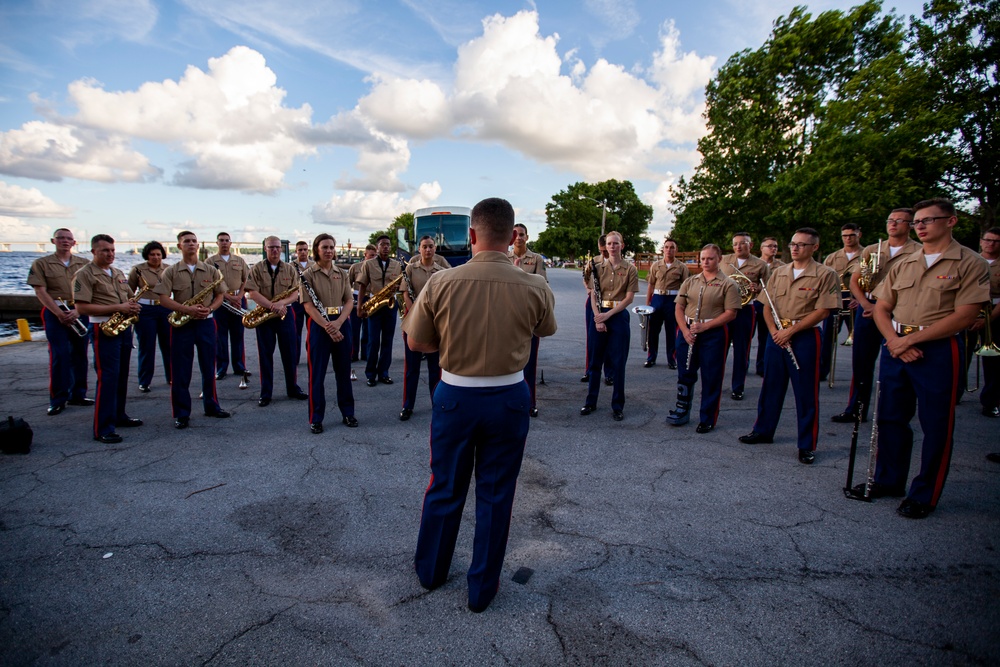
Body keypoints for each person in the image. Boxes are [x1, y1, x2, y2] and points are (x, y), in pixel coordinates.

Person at [404, 197, 556, 614]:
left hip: (456, 394)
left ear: (471, 235)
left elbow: (417, 343)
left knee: (445, 485)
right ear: (513, 238)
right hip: (509, 396)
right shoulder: (535, 284)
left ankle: (431, 572)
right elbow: (545, 328)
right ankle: (481, 590)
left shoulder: (440, 281)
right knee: (496, 494)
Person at [865, 198, 989, 519]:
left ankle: (925, 493)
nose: (919, 226)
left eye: (927, 221)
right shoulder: (905, 262)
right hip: (897, 346)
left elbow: (966, 315)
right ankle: (889, 480)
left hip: (936, 349)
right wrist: (895, 341)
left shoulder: (969, 262)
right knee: (890, 418)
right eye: (916, 222)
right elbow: (881, 307)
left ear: (951, 221)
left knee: (936, 424)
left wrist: (912, 340)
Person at [739, 228, 839, 464]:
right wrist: (775, 332)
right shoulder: (780, 272)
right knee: (770, 387)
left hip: (804, 337)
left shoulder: (825, 274)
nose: (795, 248)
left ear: (814, 247)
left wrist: (790, 332)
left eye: (801, 245)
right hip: (777, 335)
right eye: (793, 244)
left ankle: (806, 444)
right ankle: (763, 430)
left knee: (805, 392)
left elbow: (824, 310)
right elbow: (766, 305)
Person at [830, 210, 921, 423]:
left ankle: (892, 414)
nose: (893, 224)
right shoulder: (872, 249)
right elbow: (855, 280)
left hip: (899, 308)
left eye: (899, 221)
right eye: (890, 220)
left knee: (897, 361)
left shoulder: (918, 251)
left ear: (911, 225)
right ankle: (857, 408)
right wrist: (865, 304)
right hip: (868, 307)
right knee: (861, 361)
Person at [155, 231, 231, 429]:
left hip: (206, 322)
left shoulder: (211, 270)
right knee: (181, 370)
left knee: (209, 367)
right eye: (186, 241)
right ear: (179, 246)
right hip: (182, 324)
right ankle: (181, 413)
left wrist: (210, 309)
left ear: (198, 246)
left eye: (194, 241)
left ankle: (211, 406)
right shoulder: (170, 271)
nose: (191, 244)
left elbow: (220, 296)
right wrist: (186, 309)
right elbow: (163, 298)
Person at [73, 234, 143, 443]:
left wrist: (132, 305)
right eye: (104, 250)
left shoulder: (117, 272)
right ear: (94, 251)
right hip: (102, 328)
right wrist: (119, 307)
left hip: (122, 328)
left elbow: (129, 297)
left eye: (112, 250)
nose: (110, 254)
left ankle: (119, 416)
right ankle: (102, 428)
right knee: (107, 378)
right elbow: (81, 307)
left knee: (121, 376)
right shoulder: (84, 274)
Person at [669, 244, 740, 433]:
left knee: (711, 376)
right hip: (689, 331)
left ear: (719, 260)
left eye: (710, 258)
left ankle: (707, 417)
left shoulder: (728, 284)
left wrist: (706, 326)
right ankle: (681, 410)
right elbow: (679, 308)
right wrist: (684, 330)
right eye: (703, 259)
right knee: (685, 373)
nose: (706, 262)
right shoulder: (690, 281)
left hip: (713, 333)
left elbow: (731, 313)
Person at [26, 228, 93, 416]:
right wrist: (58, 313)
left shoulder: (84, 263)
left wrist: (77, 311)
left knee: (80, 355)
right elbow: (40, 291)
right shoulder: (42, 264)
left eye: (68, 239)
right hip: (56, 312)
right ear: (53, 241)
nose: (65, 241)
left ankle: (78, 395)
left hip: (79, 310)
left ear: (74, 243)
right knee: (60, 355)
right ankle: (58, 399)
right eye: (61, 238)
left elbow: (92, 289)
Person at [301, 234, 357, 432]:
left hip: (341, 324)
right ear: (317, 249)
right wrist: (328, 326)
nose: (329, 250)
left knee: (344, 373)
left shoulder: (342, 273)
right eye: (325, 247)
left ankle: (348, 413)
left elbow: (349, 301)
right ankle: (316, 418)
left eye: (331, 247)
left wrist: (339, 323)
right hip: (319, 326)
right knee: (317, 375)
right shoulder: (308, 275)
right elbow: (308, 306)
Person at [580, 231, 638, 421]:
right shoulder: (597, 268)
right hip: (600, 315)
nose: (612, 247)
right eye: (609, 244)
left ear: (622, 245)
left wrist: (608, 315)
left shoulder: (630, 269)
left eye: (616, 243)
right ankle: (590, 402)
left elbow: (629, 298)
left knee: (618, 362)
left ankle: (617, 405)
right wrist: (598, 317)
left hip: (618, 315)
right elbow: (594, 294)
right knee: (595, 361)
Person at [245, 236, 309, 407]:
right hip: (264, 316)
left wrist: (282, 303)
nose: (274, 250)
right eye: (271, 247)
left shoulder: (289, 269)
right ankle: (266, 393)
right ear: (265, 248)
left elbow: (296, 292)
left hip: (284, 315)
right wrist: (272, 305)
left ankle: (292, 388)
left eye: (277, 247)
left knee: (290, 354)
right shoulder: (256, 269)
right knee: (265, 356)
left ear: (281, 249)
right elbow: (252, 292)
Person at [399, 236, 447, 421]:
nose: (428, 250)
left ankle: (436, 403)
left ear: (435, 249)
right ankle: (407, 405)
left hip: (434, 323)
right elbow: (405, 294)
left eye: (431, 247)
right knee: (412, 368)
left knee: (436, 367)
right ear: (419, 249)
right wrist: (415, 316)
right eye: (424, 247)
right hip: (414, 323)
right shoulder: (410, 269)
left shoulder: (441, 271)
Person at [720, 232, 770, 400]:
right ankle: (715, 383)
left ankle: (738, 386)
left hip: (745, 310)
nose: (738, 247)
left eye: (742, 243)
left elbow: (769, 290)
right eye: (735, 244)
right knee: (720, 348)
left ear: (751, 245)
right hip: (724, 309)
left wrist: (758, 290)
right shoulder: (724, 260)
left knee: (742, 350)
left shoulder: (761, 265)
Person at [508, 223, 548, 417]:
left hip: (528, 318)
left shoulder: (536, 259)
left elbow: (541, 287)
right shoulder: (503, 258)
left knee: (529, 364)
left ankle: (530, 402)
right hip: (506, 317)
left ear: (527, 237)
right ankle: (510, 401)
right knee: (506, 362)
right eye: (515, 235)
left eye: (522, 235)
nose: (518, 238)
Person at [356, 235, 403, 386]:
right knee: (373, 341)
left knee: (387, 341)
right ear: (377, 247)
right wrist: (359, 306)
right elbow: (362, 285)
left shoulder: (396, 265)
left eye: (388, 245)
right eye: (383, 244)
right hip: (374, 305)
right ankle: (370, 374)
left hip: (390, 305)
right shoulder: (368, 264)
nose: (386, 247)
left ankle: (384, 373)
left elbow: (402, 285)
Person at [820, 223, 863, 381]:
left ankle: (860, 375)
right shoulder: (832, 257)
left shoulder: (867, 254)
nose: (848, 238)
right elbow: (824, 281)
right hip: (836, 302)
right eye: (845, 235)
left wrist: (860, 299)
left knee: (860, 340)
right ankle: (822, 371)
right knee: (827, 339)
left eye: (852, 235)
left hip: (858, 302)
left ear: (859, 235)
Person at [128, 241, 172, 392]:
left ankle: (172, 377)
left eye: (158, 254)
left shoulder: (169, 269)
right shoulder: (138, 270)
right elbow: (129, 290)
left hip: (165, 308)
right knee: (147, 346)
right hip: (145, 309)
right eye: (152, 254)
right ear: (147, 255)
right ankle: (144, 381)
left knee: (168, 344)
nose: (155, 257)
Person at [207, 232, 249, 381]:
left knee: (238, 334)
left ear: (231, 243)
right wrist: (228, 297)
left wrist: (238, 296)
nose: (224, 243)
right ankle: (221, 368)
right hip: (220, 301)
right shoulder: (210, 261)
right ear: (217, 243)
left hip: (238, 300)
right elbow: (209, 283)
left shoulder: (239, 260)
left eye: (227, 240)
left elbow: (246, 280)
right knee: (221, 336)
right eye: (221, 241)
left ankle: (239, 366)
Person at [644, 238, 689, 370]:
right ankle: (651, 358)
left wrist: (683, 305)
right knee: (653, 331)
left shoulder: (681, 267)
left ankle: (672, 359)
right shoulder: (656, 265)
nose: (669, 250)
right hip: (657, 299)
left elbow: (686, 287)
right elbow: (650, 284)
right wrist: (648, 304)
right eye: (667, 247)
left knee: (671, 332)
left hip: (673, 300)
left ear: (676, 250)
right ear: (663, 249)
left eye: (672, 247)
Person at [973, 227, 1000, 418]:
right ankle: (954, 395)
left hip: (994, 313)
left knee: (993, 361)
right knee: (961, 354)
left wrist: (988, 320)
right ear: (981, 241)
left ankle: (990, 401)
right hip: (968, 311)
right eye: (988, 240)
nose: (991, 244)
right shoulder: (970, 260)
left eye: (996, 241)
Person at [581, 235, 612, 385]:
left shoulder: (617, 262)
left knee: (610, 339)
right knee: (592, 339)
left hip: (610, 304)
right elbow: (585, 277)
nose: (605, 254)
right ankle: (590, 370)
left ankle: (609, 373)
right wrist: (589, 290)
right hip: (594, 302)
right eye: (602, 251)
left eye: (606, 250)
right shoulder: (593, 261)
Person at [755, 237, 784, 376]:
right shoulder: (753, 263)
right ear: (761, 248)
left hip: (769, 304)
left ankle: (762, 366)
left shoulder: (782, 267)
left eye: (776, 246)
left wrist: (760, 288)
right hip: (751, 302)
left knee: (764, 336)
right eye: (770, 246)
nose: (773, 249)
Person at [348, 244, 376, 364]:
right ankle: (353, 353)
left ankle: (365, 353)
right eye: (371, 255)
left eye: (375, 256)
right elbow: (347, 284)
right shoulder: (355, 267)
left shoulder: (377, 267)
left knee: (368, 329)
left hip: (371, 298)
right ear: (365, 255)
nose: (373, 258)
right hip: (357, 297)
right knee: (355, 328)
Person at [289, 240, 313, 368]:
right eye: (300, 250)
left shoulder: (314, 265)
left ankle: (312, 356)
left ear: (308, 251)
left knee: (312, 330)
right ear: (296, 251)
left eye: (305, 249)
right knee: (295, 331)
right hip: (296, 301)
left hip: (311, 301)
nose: (303, 252)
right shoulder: (290, 266)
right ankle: (295, 357)